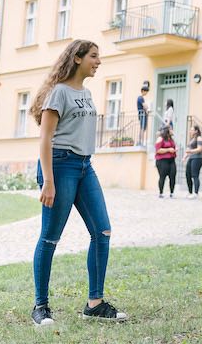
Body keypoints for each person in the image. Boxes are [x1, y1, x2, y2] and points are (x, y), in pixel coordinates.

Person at [28, 39, 127, 326]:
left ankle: (94, 303)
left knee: (103, 231)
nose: (98, 61)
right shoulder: (58, 93)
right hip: (60, 166)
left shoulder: (86, 92)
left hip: (85, 166)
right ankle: (40, 306)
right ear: (77, 58)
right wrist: (48, 181)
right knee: (50, 237)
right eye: (94, 56)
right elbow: (45, 139)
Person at [155, 126, 177, 198]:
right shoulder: (160, 138)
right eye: (171, 129)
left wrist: (175, 149)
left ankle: (172, 193)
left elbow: (173, 147)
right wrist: (168, 150)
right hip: (162, 160)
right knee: (162, 176)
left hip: (171, 160)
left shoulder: (171, 139)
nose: (172, 130)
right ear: (167, 130)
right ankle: (161, 193)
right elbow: (158, 150)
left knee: (172, 176)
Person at [183, 125, 202, 198]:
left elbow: (199, 149)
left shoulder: (199, 138)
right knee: (187, 175)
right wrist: (184, 157)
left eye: (192, 130)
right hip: (191, 158)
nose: (190, 131)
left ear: (196, 131)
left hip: (198, 158)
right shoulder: (192, 139)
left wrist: (190, 151)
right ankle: (190, 192)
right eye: (190, 130)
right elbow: (188, 150)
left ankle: (196, 193)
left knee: (195, 175)